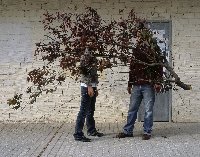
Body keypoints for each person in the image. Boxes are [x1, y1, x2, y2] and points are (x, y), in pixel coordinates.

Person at [116, 30, 163, 140]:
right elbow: (132, 67)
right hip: (137, 85)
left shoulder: (153, 49)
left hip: (148, 85)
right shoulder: (136, 50)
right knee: (132, 109)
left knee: (148, 110)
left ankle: (147, 132)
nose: (138, 38)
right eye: (137, 36)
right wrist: (129, 83)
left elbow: (159, 66)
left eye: (140, 36)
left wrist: (157, 82)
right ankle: (128, 131)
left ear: (146, 36)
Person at [73, 48, 104, 142]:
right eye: (90, 40)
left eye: (94, 41)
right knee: (83, 111)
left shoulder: (92, 55)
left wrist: (95, 87)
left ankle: (91, 130)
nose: (92, 43)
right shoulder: (85, 56)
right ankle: (78, 134)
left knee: (90, 110)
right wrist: (90, 86)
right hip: (87, 87)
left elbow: (93, 74)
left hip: (92, 86)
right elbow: (84, 73)